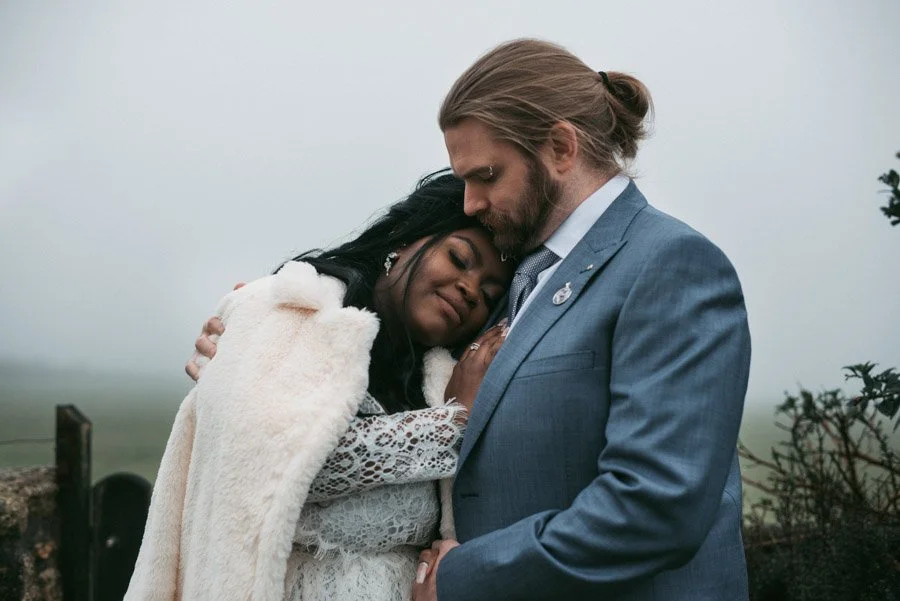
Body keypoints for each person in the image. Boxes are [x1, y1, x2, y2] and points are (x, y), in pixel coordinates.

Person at [411, 39, 752, 601]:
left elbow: (655, 504)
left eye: (487, 175)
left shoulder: (671, 263)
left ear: (561, 147)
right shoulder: (520, 274)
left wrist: (466, 577)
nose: (469, 203)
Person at [130, 171, 513, 601]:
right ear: (404, 240)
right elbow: (279, 462)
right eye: (459, 259)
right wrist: (452, 423)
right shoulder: (293, 309)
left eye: (487, 294)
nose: (470, 289)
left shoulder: (440, 380)